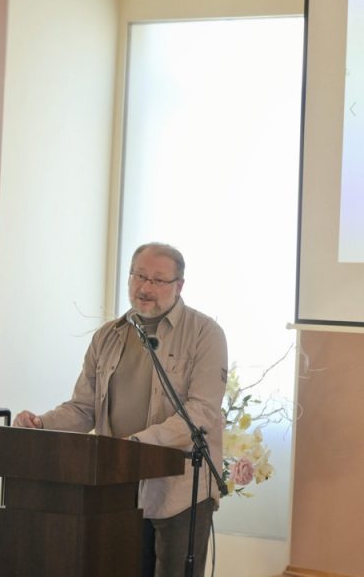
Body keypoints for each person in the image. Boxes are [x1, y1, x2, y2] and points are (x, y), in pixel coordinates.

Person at [14, 242, 228, 577]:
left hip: (179, 489)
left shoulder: (205, 333)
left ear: (179, 286)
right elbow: (84, 408)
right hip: (117, 487)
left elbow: (201, 413)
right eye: (138, 276)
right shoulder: (108, 336)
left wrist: (137, 445)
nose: (145, 287)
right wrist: (42, 424)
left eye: (157, 280)